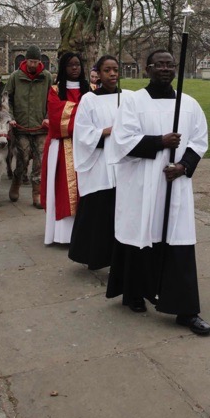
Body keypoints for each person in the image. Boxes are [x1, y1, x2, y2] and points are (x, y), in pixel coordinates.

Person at [107, 49, 210, 336]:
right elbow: (122, 140)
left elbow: (200, 140)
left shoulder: (188, 104)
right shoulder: (133, 102)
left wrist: (183, 166)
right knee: (140, 235)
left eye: (170, 65)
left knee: (178, 240)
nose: (165, 69)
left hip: (175, 185)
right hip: (141, 184)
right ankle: (135, 292)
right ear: (148, 68)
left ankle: (186, 310)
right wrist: (160, 142)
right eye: (159, 65)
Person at [69, 55, 132, 270]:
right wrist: (108, 131)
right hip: (100, 163)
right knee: (100, 211)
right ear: (98, 73)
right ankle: (96, 256)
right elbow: (82, 133)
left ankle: (121, 257)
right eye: (107, 70)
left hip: (123, 163)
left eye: (115, 69)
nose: (112, 74)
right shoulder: (89, 99)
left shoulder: (129, 97)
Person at [40, 52, 88, 244]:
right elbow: (56, 118)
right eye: (70, 65)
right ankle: (63, 235)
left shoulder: (90, 89)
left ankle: (85, 233)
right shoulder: (55, 90)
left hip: (87, 147)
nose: (75, 68)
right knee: (63, 189)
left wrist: (74, 111)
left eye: (78, 64)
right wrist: (83, 112)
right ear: (63, 68)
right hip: (62, 146)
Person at [6, 45, 52, 208]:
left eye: (35, 61)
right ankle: (16, 181)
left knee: (40, 160)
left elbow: (52, 100)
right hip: (21, 126)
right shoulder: (15, 77)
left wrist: (48, 117)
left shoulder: (47, 77)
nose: (33, 64)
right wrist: (11, 117)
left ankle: (37, 193)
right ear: (26, 61)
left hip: (41, 126)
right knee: (23, 158)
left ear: (39, 61)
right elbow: (7, 99)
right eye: (30, 61)